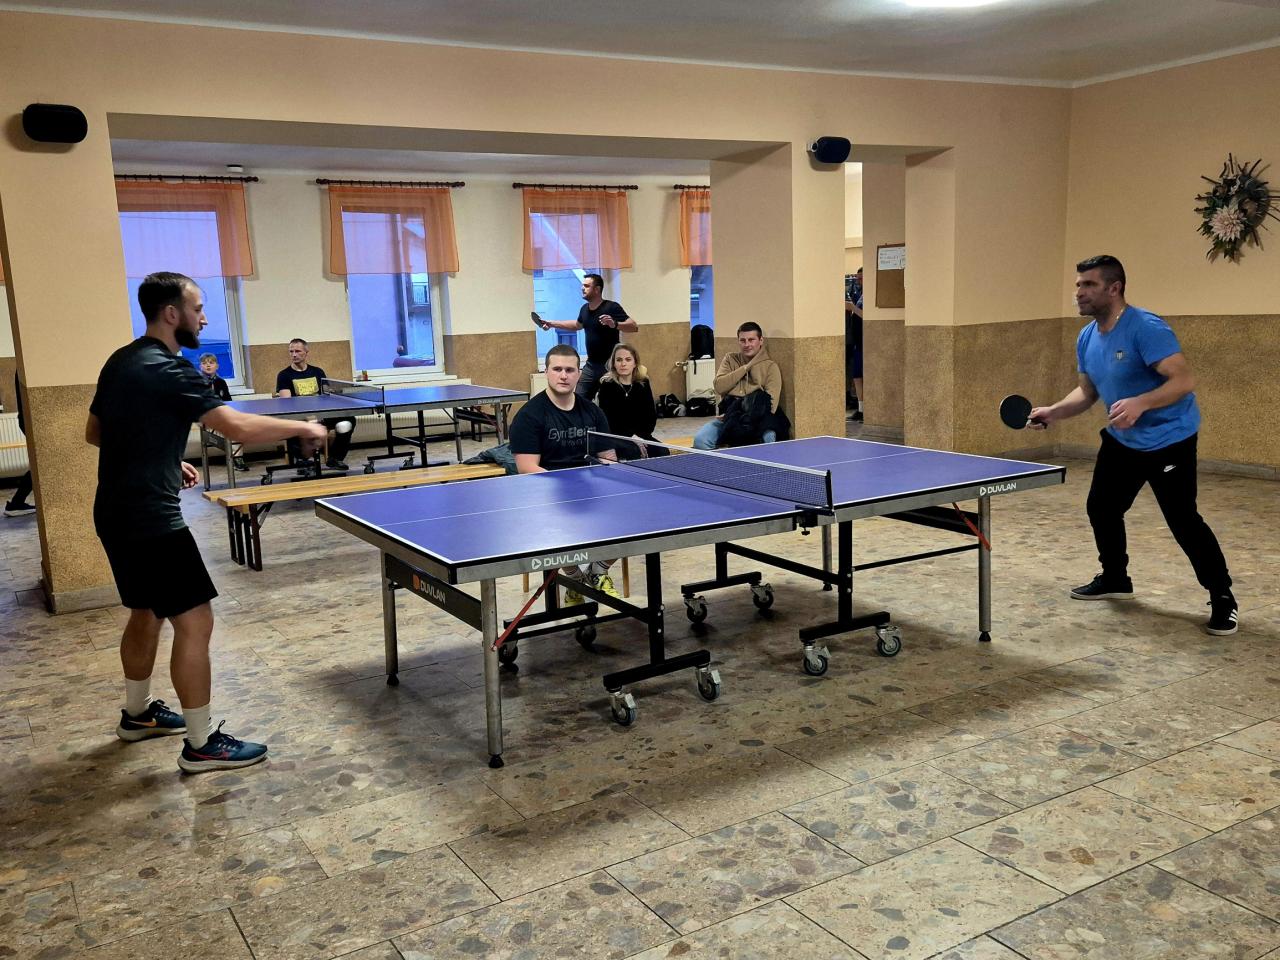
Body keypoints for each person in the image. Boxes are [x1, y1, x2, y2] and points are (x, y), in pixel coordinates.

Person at [87, 271, 327, 772]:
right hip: (152, 520)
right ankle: (200, 744)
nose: (204, 318)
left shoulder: (122, 360)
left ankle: (137, 715)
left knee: (145, 611)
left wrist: (163, 457)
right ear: (171, 313)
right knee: (195, 621)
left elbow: (97, 432)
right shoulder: (172, 370)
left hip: (113, 511)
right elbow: (235, 427)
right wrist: (303, 426)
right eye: (198, 308)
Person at [1030, 254, 1237, 636]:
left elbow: (1183, 381)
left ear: (1114, 288)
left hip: (1169, 439)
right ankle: (1115, 578)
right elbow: (1087, 392)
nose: (1079, 292)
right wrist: (1054, 412)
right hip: (1122, 440)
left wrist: (1142, 403)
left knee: (1183, 520)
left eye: (1089, 285)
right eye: (1078, 285)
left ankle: (1222, 595)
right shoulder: (1087, 336)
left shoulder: (1146, 328)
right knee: (1102, 508)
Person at [509, 343, 620, 600]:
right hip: (547, 492)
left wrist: (611, 478)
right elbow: (527, 468)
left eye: (569, 370)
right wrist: (566, 488)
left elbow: (607, 458)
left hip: (590, 489)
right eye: (557, 369)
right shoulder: (529, 416)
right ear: (546, 372)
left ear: (579, 374)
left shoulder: (593, 412)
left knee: (633, 513)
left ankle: (598, 569)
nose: (563, 375)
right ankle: (574, 578)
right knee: (557, 527)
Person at [533, 273, 638, 401]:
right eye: (583, 286)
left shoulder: (611, 307)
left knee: (610, 401)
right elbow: (577, 325)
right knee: (579, 399)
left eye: (587, 286)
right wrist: (552, 324)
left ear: (597, 289)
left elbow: (633, 326)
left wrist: (614, 324)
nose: (583, 288)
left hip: (610, 365)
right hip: (591, 365)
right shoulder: (584, 309)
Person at [693, 321, 787, 450]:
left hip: (757, 420)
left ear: (761, 341)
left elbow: (771, 405)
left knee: (769, 438)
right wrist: (746, 368)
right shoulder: (730, 359)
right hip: (728, 418)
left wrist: (737, 414)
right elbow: (719, 386)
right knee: (701, 440)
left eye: (751, 340)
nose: (747, 344)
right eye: (742, 340)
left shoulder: (771, 367)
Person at [275, 338, 354, 471]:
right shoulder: (284, 375)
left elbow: (326, 394)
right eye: (291, 351)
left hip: (321, 414)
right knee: (291, 423)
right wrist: (308, 416)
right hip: (299, 417)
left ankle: (335, 458)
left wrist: (331, 395)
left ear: (306, 353)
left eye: (297, 351)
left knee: (349, 420)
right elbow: (287, 403)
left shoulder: (318, 372)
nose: (294, 354)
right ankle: (302, 461)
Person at [595, 343, 659, 460]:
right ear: (614, 363)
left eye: (628, 360)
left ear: (635, 363)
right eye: (619, 360)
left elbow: (650, 417)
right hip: (617, 436)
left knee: (662, 451)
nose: (623, 364)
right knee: (632, 452)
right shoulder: (607, 386)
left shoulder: (643, 383)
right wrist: (631, 436)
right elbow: (610, 420)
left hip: (641, 436)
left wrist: (640, 437)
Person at [198, 353, 246, 471]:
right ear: (200, 367)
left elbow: (228, 402)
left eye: (211, 363)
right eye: (204, 363)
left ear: (217, 366)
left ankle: (237, 458)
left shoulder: (221, 382)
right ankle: (234, 457)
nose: (208, 365)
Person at [4, 372, 34, 518]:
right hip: (30, 419)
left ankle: (17, 502)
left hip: (26, 418)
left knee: (40, 465)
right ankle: (16, 502)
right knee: (41, 465)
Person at [845, 268, 864, 422]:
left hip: (865, 342)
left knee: (863, 376)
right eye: (857, 278)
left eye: (861, 278)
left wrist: (852, 308)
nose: (858, 281)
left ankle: (865, 409)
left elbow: (868, 316)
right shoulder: (861, 295)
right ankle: (861, 408)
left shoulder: (868, 296)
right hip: (857, 341)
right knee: (857, 376)